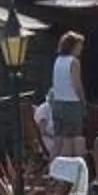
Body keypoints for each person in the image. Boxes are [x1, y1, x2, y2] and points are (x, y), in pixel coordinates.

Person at [37, 31, 86, 160]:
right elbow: (76, 84)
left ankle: (52, 168)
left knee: (59, 140)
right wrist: (83, 100)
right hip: (71, 104)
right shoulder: (74, 62)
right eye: (79, 46)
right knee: (74, 139)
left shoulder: (57, 61)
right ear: (73, 46)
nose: (81, 49)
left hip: (58, 104)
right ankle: (72, 171)